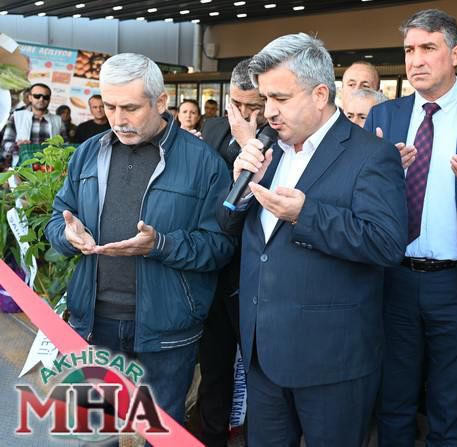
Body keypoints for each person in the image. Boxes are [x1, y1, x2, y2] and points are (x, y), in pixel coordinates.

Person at [218, 33, 407, 446]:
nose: (268, 112)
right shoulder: (268, 147)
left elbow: (387, 243)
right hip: (262, 352)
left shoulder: (371, 155)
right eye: (266, 99)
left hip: (331, 362)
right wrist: (241, 190)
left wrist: (306, 215)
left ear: (320, 94)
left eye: (280, 99)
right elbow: (229, 224)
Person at [44, 53, 236, 425]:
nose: (118, 119)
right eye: (110, 106)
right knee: (95, 428)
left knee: (161, 429)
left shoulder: (203, 163)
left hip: (167, 329)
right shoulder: (88, 153)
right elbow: (58, 217)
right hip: (94, 322)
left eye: (130, 108)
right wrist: (67, 234)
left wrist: (160, 245)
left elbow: (220, 246)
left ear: (161, 102)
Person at [364, 8, 457, 446]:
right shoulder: (384, 116)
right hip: (394, 278)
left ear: (456, 54)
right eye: (409, 50)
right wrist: (385, 178)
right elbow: (364, 202)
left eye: (428, 48)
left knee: (451, 407)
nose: (415, 60)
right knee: (393, 402)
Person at [196, 57, 267, 447]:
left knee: (260, 374)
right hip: (214, 267)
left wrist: (247, 142)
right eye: (237, 104)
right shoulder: (212, 128)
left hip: (255, 270)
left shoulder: (280, 134)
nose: (245, 114)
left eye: (253, 106)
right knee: (214, 366)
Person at [1, 83, 66, 167]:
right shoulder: (17, 116)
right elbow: (6, 143)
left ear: (49, 99)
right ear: (30, 97)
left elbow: (65, 145)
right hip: (22, 168)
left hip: (50, 169)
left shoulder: (58, 120)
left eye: (45, 97)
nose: (41, 99)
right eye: (37, 96)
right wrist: (18, 146)